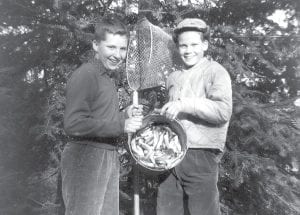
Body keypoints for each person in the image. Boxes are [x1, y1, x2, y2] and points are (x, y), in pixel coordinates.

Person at [61, 16, 143, 215]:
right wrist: (122, 126)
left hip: (106, 156)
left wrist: (124, 116)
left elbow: (102, 119)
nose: (117, 55)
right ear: (96, 45)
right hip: (85, 157)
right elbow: (73, 124)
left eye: (122, 49)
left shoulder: (107, 77)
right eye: (111, 47)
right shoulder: (86, 74)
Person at [157, 18, 232, 215]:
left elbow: (222, 111)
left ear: (205, 45)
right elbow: (174, 116)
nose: (188, 50)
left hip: (201, 155)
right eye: (183, 45)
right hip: (171, 155)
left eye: (194, 44)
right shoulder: (173, 77)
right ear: (178, 47)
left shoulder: (216, 72)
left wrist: (184, 104)